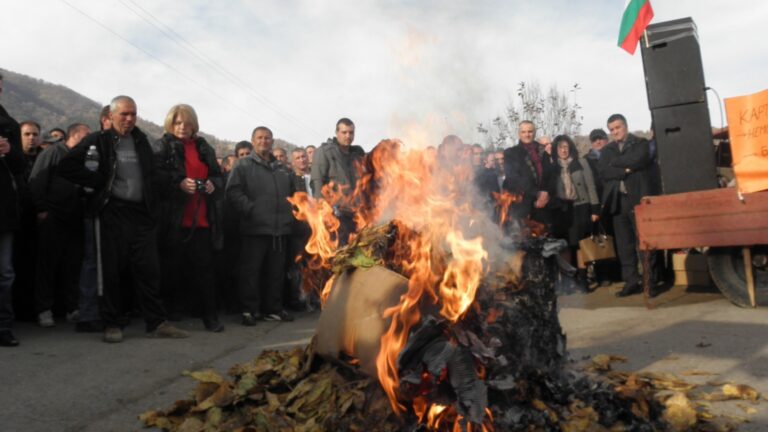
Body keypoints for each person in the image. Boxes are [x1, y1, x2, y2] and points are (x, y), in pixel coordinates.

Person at [58, 95, 189, 342]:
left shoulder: (142, 141)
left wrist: (174, 183)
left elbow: (152, 175)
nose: (129, 119)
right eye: (124, 114)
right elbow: (66, 166)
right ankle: (112, 324)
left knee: (149, 270)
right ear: (111, 116)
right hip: (112, 213)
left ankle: (157, 323)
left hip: (142, 214)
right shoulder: (99, 140)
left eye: (133, 114)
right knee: (111, 271)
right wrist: (99, 182)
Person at [154, 104, 224, 332]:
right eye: (177, 122)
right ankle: (172, 313)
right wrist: (178, 184)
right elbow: (154, 177)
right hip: (174, 219)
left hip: (202, 219)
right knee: (172, 268)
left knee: (205, 270)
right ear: (170, 124)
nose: (182, 127)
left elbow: (218, 176)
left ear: (194, 124)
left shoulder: (204, 147)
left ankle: (210, 317)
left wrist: (214, 184)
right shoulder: (162, 146)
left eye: (187, 122)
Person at [226, 126, 295, 325]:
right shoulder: (243, 165)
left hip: (279, 229)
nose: (264, 141)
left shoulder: (283, 169)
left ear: (272, 141)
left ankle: (272, 309)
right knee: (251, 272)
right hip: (254, 228)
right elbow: (233, 192)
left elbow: (292, 196)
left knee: (276, 272)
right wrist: (250, 209)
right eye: (260, 138)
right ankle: (249, 310)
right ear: (253, 140)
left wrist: (291, 215)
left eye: (268, 138)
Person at [28, 123, 91, 327]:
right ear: (75, 135)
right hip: (53, 217)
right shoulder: (53, 152)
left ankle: (71, 308)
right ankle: (44, 309)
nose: (90, 141)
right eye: (86, 136)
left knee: (73, 265)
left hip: (75, 219)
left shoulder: (83, 158)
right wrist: (41, 209)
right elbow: (37, 181)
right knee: (47, 265)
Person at [598, 114, 656, 297]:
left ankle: (650, 282)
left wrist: (616, 165)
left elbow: (639, 159)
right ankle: (631, 281)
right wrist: (626, 169)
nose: (615, 132)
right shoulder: (607, 150)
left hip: (638, 199)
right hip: (618, 202)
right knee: (624, 245)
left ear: (625, 126)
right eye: (612, 129)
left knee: (644, 243)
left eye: (618, 127)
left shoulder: (640, 143)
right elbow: (604, 171)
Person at [550, 135, 600, 291]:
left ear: (570, 148)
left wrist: (595, 209)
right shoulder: (552, 166)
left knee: (580, 245)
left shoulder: (581, 162)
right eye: (560, 147)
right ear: (555, 150)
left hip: (580, 206)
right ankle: (569, 280)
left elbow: (590, 186)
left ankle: (583, 278)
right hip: (561, 209)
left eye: (566, 147)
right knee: (566, 245)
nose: (563, 150)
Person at [310, 118, 365, 245]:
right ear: (336, 133)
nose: (348, 136)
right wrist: (324, 213)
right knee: (341, 255)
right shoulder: (324, 152)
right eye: (344, 132)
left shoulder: (357, 153)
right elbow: (317, 183)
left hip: (357, 214)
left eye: (351, 133)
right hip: (336, 214)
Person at [0, 73, 24, 346]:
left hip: (4, 209)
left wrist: (10, 150)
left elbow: (20, 167)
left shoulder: (9, 124)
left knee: (5, 272)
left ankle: (3, 326)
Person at [502, 121, 557, 230]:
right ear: (519, 134)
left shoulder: (543, 150)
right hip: (523, 204)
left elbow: (551, 173)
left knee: (546, 236)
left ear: (535, 133)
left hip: (545, 203)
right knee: (524, 238)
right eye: (523, 132)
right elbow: (513, 178)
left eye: (530, 131)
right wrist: (537, 194)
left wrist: (545, 193)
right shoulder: (511, 153)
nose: (527, 134)